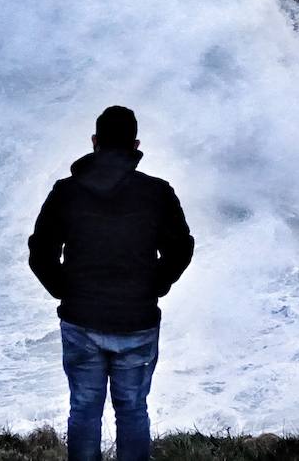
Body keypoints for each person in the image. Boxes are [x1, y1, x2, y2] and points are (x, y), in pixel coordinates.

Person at [28, 105, 194, 461]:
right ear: (135, 144)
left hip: (81, 318)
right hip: (137, 320)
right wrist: (155, 286)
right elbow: (182, 249)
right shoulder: (157, 192)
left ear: (94, 142)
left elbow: (40, 253)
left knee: (84, 408)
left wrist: (65, 290)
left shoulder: (66, 192)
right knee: (132, 409)